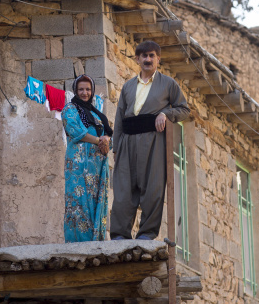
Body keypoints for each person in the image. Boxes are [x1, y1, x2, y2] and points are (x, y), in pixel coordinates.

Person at [110, 40, 190, 240]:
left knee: (153, 189)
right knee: (122, 192)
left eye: (152, 55)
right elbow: (120, 117)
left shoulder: (168, 84)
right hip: (127, 142)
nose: (148, 59)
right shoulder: (128, 86)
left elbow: (184, 109)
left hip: (154, 141)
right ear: (137, 59)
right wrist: (116, 146)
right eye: (144, 56)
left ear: (158, 59)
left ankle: (146, 235)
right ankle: (120, 235)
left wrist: (166, 114)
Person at [62, 75, 113, 242]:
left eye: (88, 89)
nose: (85, 93)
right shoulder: (70, 109)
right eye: (81, 89)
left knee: (96, 201)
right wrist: (99, 140)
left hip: (97, 167)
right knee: (79, 202)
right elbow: (76, 131)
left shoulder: (96, 113)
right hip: (78, 166)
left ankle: (96, 241)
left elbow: (107, 135)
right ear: (76, 91)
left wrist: (106, 140)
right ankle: (78, 242)